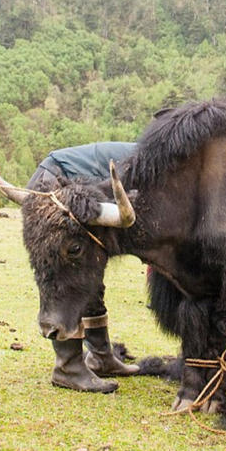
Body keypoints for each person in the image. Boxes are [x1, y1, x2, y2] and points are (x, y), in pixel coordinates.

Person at [27, 142, 140, 393]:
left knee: (90, 273)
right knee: (67, 274)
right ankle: (67, 367)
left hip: (79, 186)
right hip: (53, 184)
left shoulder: (150, 157)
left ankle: (100, 356)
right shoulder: (153, 161)